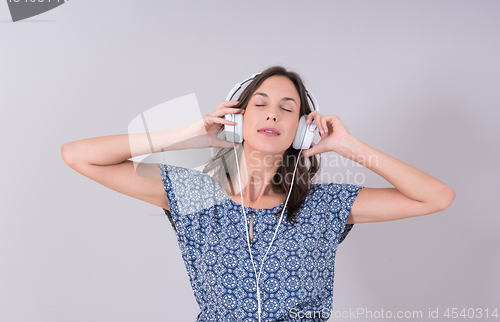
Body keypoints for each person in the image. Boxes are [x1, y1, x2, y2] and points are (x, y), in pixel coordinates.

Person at [61, 65, 456, 322]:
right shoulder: (196, 197)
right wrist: (188, 134)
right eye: (261, 104)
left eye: (287, 108)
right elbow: (78, 155)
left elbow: (436, 197)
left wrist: (349, 146)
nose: (272, 114)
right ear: (237, 121)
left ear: (301, 130)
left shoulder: (323, 205)